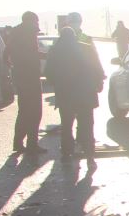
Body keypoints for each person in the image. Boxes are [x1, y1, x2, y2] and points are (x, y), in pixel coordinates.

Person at [45, 27, 104, 169]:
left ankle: (66, 155)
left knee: (66, 126)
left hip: (65, 95)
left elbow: (48, 74)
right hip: (86, 95)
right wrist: (98, 84)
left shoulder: (55, 51)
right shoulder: (87, 48)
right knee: (87, 126)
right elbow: (97, 69)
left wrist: (58, 84)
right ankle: (90, 157)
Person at [4, 11, 46, 154]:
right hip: (30, 77)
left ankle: (18, 143)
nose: (37, 24)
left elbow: (6, 52)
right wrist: (49, 55)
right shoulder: (28, 33)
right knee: (35, 112)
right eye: (36, 21)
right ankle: (32, 144)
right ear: (30, 21)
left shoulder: (15, 33)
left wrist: (10, 65)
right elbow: (31, 54)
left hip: (21, 77)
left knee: (24, 111)